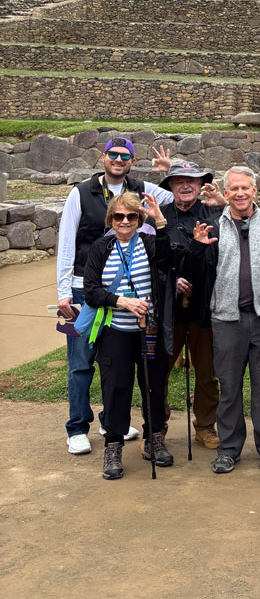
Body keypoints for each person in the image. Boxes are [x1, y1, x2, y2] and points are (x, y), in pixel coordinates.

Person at [56, 138, 174, 455]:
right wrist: (63, 291)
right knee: (82, 362)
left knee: (118, 367)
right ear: (103, 157)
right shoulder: (81, 193)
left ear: (133, 161)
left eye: (125, 156)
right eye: (114, 155)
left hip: (131, 293)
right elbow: (66, 241)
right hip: (86, 285)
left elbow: (174, 198)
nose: (119, 160)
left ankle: (112, 420)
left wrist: (165, 173)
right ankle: (78, 427)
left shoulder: (138, 186)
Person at [193, 166, 260, 477]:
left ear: (255, 191)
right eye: (234, 189)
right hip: (226, 318)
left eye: (246, 187)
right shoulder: (212, 225)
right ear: (226, 193)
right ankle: (229, 449)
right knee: (229, 388)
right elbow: (198, 272)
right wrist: (199, 250)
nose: (241, 193)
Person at [84, 192, 173, 480]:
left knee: (154, 386)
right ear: (111, 218)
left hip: (148, 330)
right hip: (116, 331)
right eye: (119, 216)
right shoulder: (101, 247)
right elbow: (91, 290)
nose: (125, 221)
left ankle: (154, 439)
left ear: (139, 219)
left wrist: (159, 219)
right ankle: (114, 445)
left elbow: (168, 259)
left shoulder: (149, 243)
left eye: (131, 216)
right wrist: (123, 301)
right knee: (116, 388)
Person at [159, 160, 222, 450]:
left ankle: (206, 425)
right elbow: (150, 261)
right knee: (159, 367)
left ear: (200, 185)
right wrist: (170, 283)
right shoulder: (157, 218)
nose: (186, 185)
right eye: (179, 180)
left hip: (204, 306)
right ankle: (157, 425)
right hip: (168, 309)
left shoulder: (215, 214)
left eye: (192, 181)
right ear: (170, 186)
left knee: (207, 371)